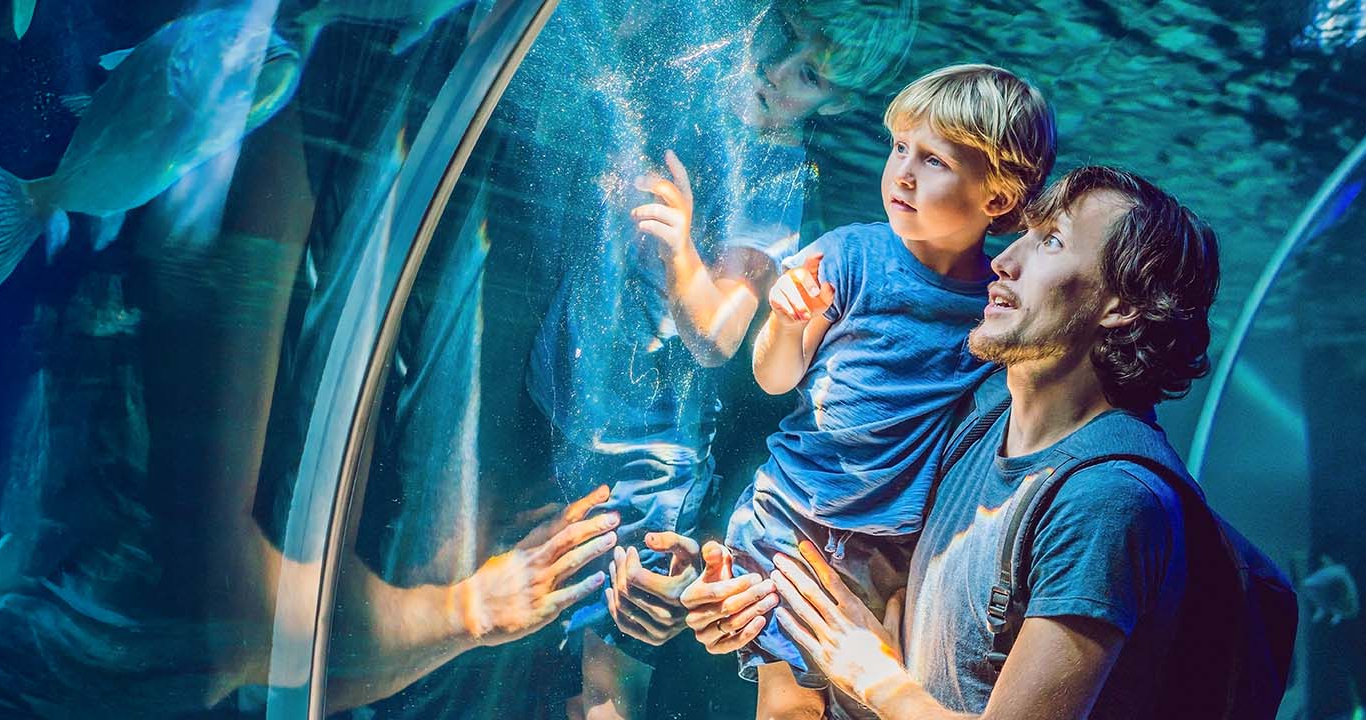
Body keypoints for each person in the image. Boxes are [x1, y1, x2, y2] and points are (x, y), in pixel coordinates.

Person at [517, 2, 918, 717]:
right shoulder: (699, 100)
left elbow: (718, 337)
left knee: (607, 689)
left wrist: (679, 253)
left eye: (810, 75)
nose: (775, 72)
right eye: (783, 40)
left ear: (839, 101)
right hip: (568, 406)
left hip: (643, 456)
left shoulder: (775, 174)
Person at [706, 165, 1223, 719]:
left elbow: (874, 669)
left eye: (1051, 241)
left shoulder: (1107, 499)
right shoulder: (973, 423)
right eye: (1023, 232)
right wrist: (743, 587)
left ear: (1121, 306)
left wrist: (878, 681)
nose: (1004, 260)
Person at [620, 63, 1058, 718]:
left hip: (899, 544)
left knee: (864, 698)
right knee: (789, 706)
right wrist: (789, 322)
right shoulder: (849, 257)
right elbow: (776, 378)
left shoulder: (998, 301)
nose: (902, 173)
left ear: (997, 200)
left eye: (933, 159)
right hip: (796, 512)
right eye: (899, 148)